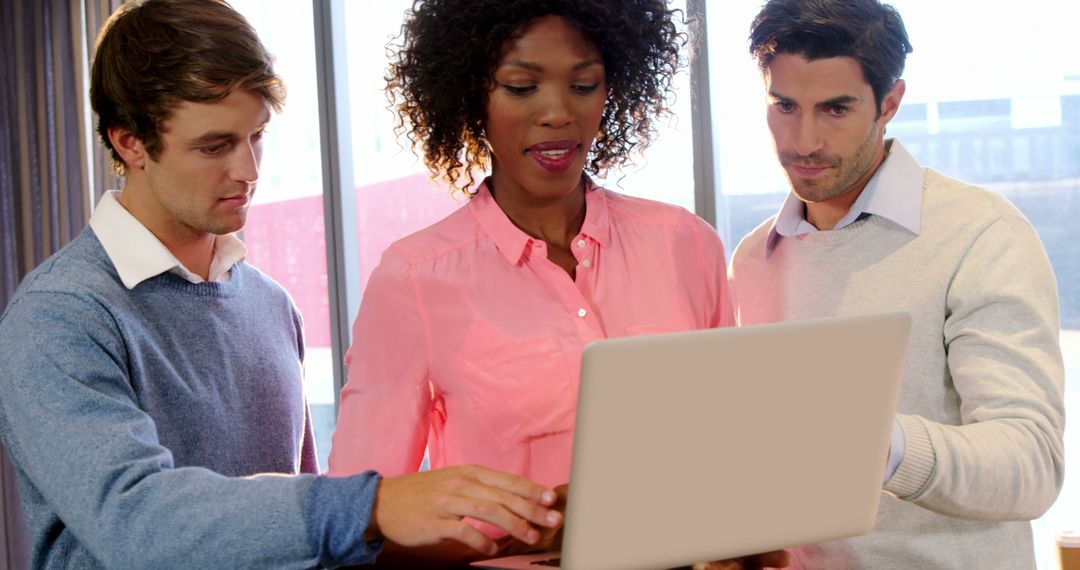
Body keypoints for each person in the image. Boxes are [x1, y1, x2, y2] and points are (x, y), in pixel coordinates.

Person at [0, 1, 565, 568]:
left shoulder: (268, 304)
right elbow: (137, 522)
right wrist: (370, 505)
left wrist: (516, 532)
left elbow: (302, 538)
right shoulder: (59, 316)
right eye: (215, 146)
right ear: (129, 143)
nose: (248, 170)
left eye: (257, 136)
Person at [327, 1, 790, 568]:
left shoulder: (685, 243)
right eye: (522, 87)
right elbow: (358, 520)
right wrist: (535, 531)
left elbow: (731, 453)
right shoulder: (415, 279)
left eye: (584, 84)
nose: (557, 113)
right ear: (472, 96)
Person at [727, 0, 1066, 568]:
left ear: (890, 103)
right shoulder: (753, 258)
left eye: (835, 109)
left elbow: (1031, 465)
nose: (803, 141)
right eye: (784, 105)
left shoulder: (980, 234)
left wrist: (875, 445)